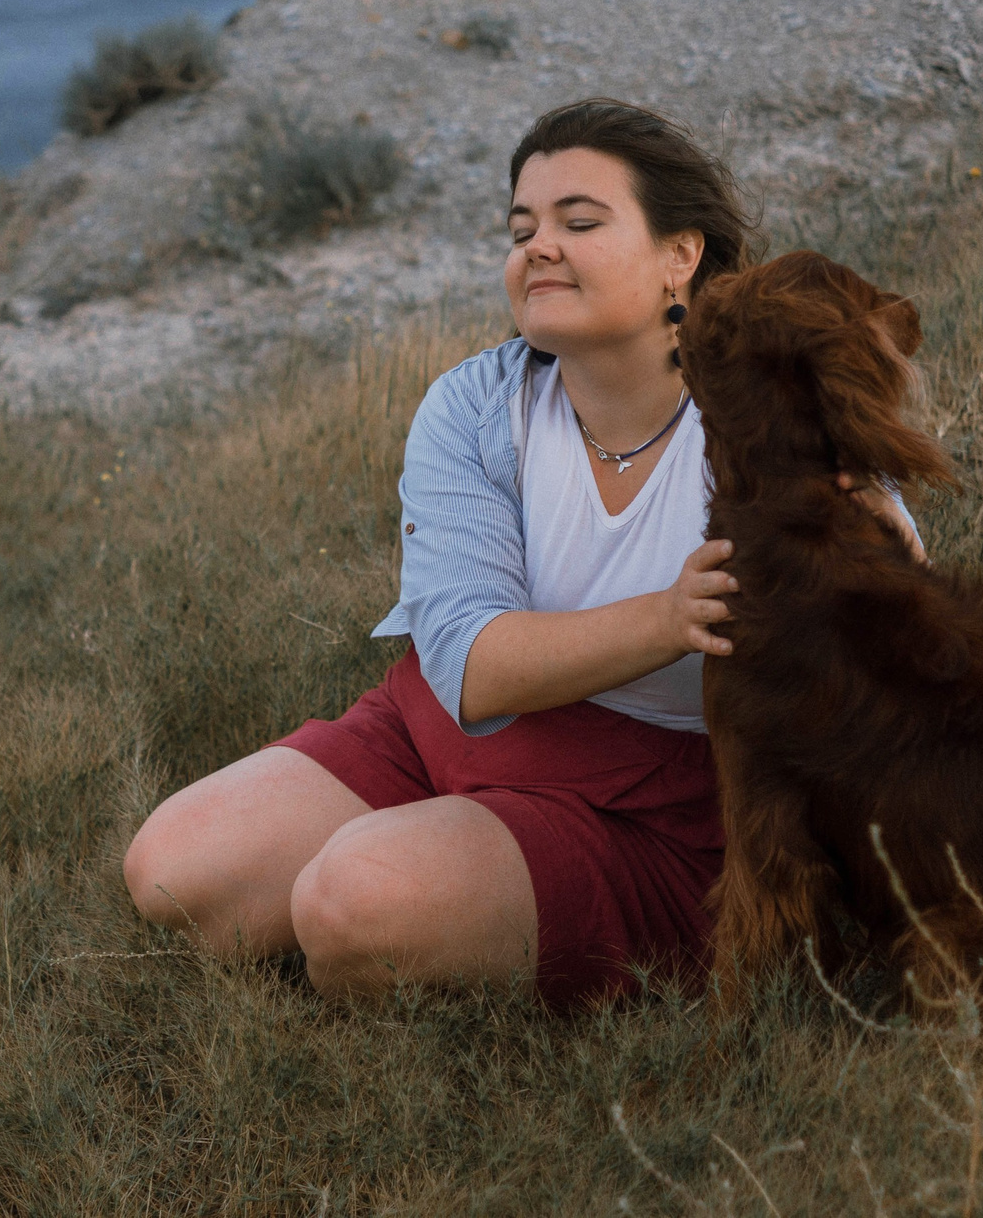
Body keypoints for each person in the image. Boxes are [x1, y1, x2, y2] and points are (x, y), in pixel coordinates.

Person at [121, 98, 921, 1006]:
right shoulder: (475, 407)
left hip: (664, 803)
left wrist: (877, 564)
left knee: (350, 908)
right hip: (451, 729)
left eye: (579, 222)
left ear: (679, 255)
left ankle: (485, 900)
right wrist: (670, 616)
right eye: (521, 227)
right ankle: (447, 859)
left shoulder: (768, 411)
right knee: (172, 875)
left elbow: (895, 651)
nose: (537, 246)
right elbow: (468, 668)